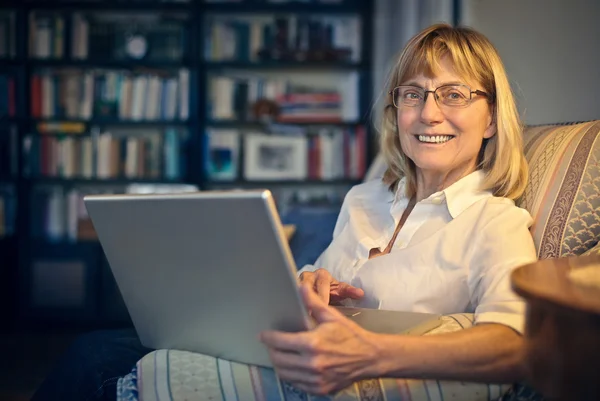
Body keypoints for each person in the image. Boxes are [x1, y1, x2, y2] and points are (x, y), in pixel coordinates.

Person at [31, 23, 538, 401]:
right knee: (96, 346)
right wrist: (312, 282)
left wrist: (372, 354)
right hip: (277, 345)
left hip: (321, 374)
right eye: (413, 94)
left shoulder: (496, 222)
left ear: (491, 119)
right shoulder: (364, 199)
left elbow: (515, 347)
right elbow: (316, 282)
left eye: (454, 94)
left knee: (95, 360)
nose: (429, 113)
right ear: (397, 111)